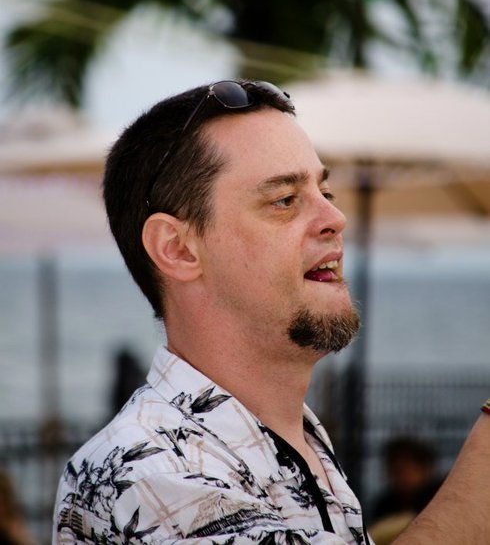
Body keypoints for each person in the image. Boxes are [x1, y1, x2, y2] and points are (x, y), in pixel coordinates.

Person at [53, 80, 490, 544]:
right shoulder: (146, 469)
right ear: (177, 248)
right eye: (284, 200)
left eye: (326, 193)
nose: (335, 218)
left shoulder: (294, 441)